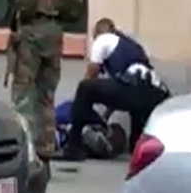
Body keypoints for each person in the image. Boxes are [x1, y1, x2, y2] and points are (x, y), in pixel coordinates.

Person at [5, 0, 82, 169]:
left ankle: (27, 152)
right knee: (46, 95)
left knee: (24, 94)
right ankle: (46, 150)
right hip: (54, 30)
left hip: (32, 30)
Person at [59, 18, 171, 161]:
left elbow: (90, 75)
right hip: (155, 92)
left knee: (85, 88)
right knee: (136, 141)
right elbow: (119, 91)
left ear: (99, 33)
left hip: (134, 87)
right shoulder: (133, 46)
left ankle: (74, 148)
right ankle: (136, 150)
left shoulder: (103, 39)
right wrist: (105, 115)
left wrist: (80, 107)